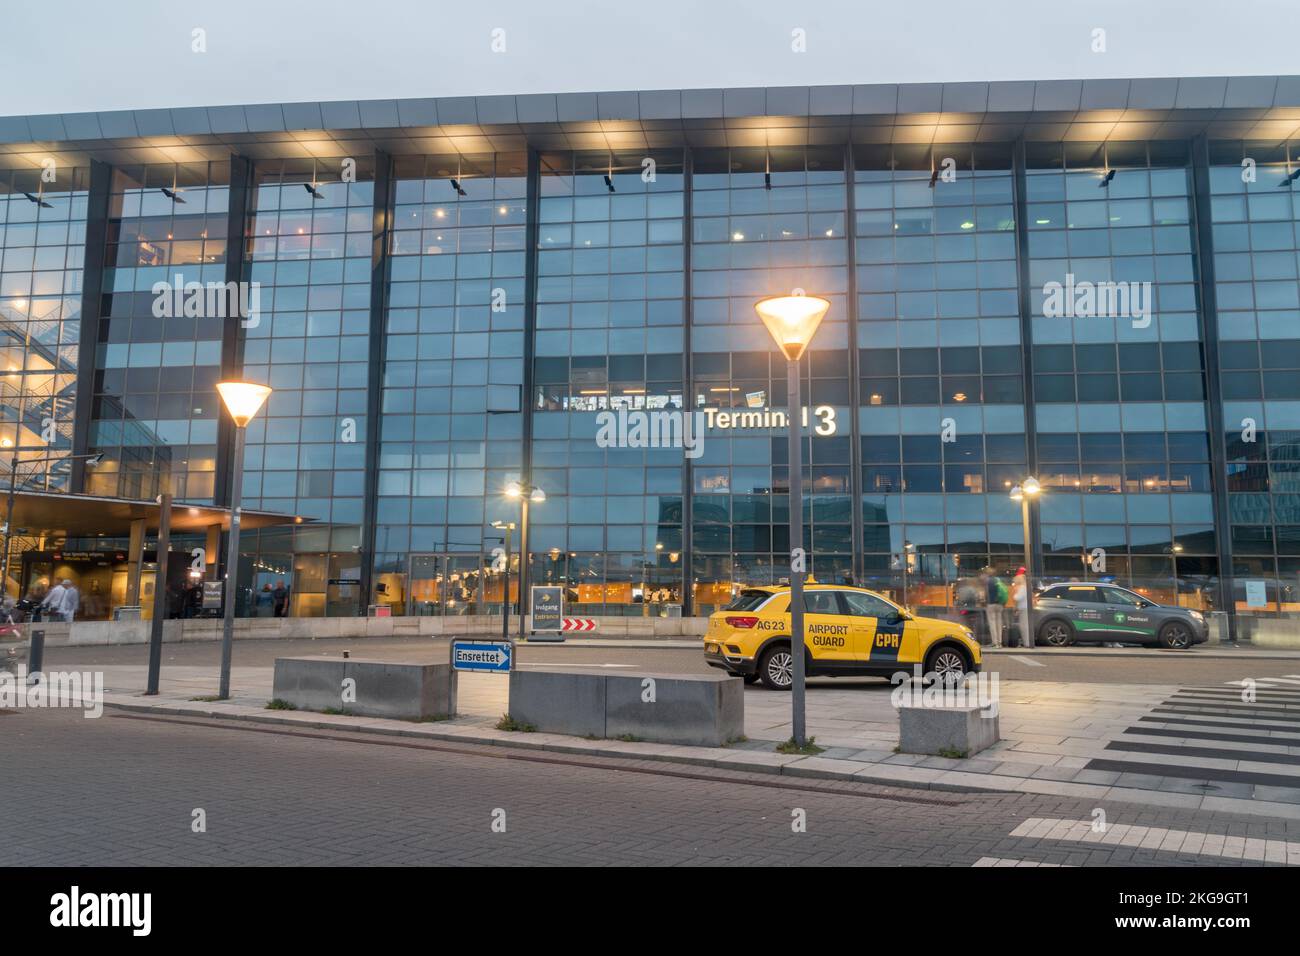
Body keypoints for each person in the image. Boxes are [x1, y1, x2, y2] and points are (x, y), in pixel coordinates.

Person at [982, 571, 1006, 648]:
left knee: (992, 623)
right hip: (1000, 604)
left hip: (991, 604)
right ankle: (1000, 642)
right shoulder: (998, 580)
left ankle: (994, 642)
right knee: (999, 623)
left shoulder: (988, 581)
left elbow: (986, 594)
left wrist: (984, 602)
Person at [1010, 568, 1033, 648]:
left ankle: (1026, 643)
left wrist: (1014, 594)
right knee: (1024, 626)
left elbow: (1018, 597)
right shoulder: (1026, 586)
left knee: (1024, 626)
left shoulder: (1022, 587)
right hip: (1024, 608)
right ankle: (1026, 642)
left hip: (1023, 608)